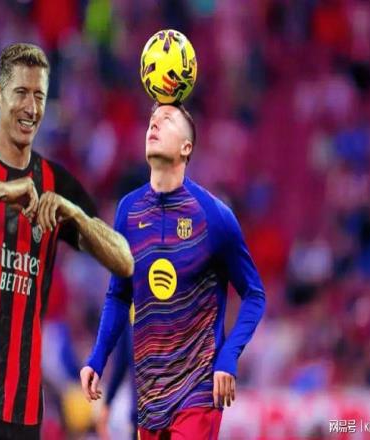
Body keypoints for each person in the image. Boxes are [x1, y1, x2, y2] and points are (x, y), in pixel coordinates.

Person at [0, 43, 134, 440]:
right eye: (21, 93)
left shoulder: (54, 182)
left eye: (39, 96)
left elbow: (124, 259)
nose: (31, 107)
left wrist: (75, 215)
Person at [80, 103, 266, 439]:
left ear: (186, 147)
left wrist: (228, 356)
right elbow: (118, 295)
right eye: (151, 120)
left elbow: (254, 294)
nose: (154, 125)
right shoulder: (128, 211)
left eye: (166, 121)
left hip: (199, 391)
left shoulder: (214, 215)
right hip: (149, 398)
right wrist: (97, 358)